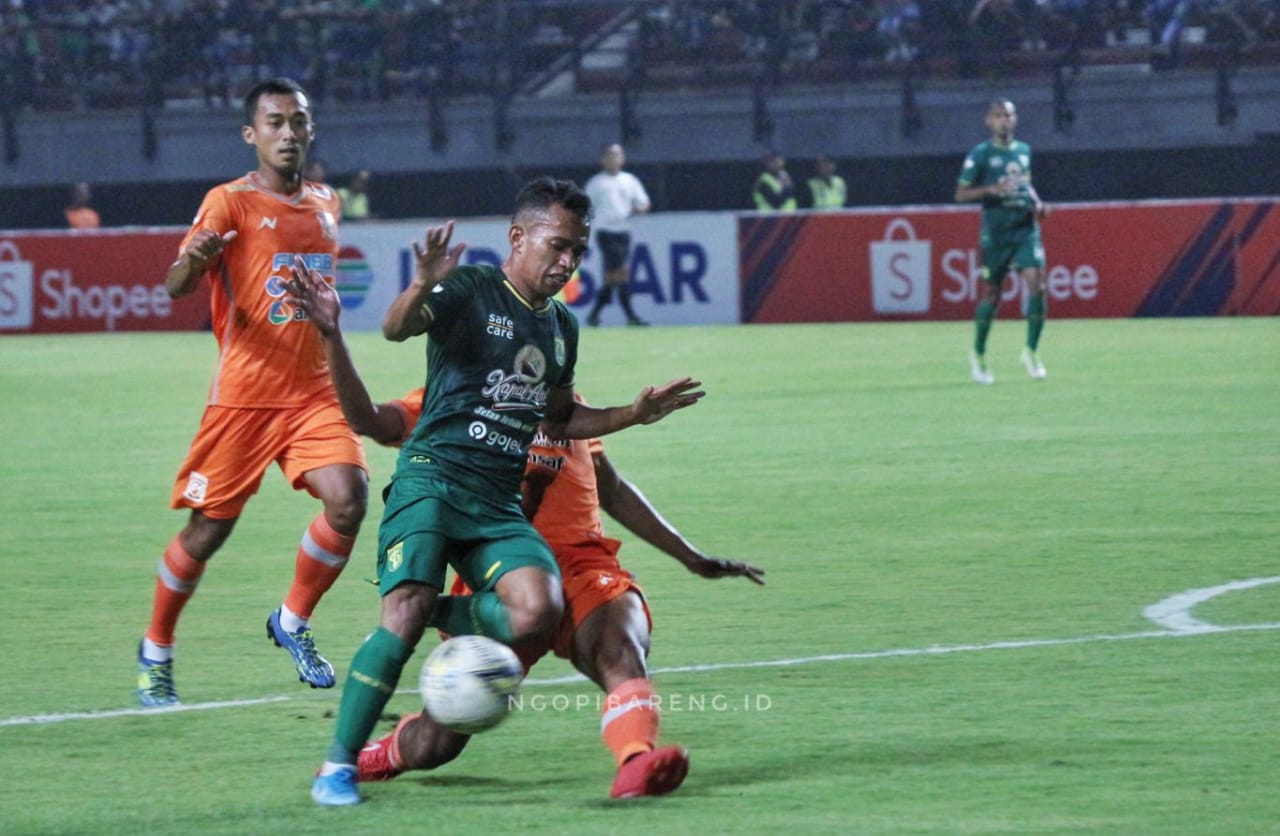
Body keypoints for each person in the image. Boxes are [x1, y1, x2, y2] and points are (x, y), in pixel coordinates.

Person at [286, 263, 765, 800]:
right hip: (497, 581)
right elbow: (374, 418)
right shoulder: (452, 399)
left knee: (620, 644)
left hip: (582, 569)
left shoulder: (560, 404)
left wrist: (690, 557)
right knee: (439, 741)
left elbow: (612, 491)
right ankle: (382, 752)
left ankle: (637, 763)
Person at [135, 78, 368, 708]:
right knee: (208, 532)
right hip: (244, 398)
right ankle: (156, 649)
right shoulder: (227, 203)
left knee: (348, 501)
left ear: (310, 128)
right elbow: (176, 284)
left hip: (315, 392)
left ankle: (291, 621)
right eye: (274, 123)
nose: (288, 133)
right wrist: (196, 257)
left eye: (298, 121)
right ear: (252, 134)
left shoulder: (325, 202)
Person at [955, 98, 1049, 384]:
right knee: (992, 295)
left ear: (1014, 119)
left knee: (1038, 285)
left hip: (1024, 229)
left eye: (1008, 115)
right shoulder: (981, 154)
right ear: (989, 121)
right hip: (996, 234)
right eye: (998, 116)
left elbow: (1025, 184)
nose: (1004, 120)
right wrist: (992, 189)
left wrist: (1038, 203)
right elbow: (961, 194)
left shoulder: (1024, 151)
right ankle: (979, 354)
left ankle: (1031, 352)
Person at [582, 143, 651, 327]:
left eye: (618, 154)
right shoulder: (596, 183)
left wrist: (641, 207)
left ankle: (594, 315)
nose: (614, 158)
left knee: (613, 277)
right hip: (606, 233)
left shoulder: (630, 180)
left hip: (624, 233)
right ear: (603, 159)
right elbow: (586, 208)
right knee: (621, 273)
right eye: (610, 155)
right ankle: (630, 316)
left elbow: (643, 201)